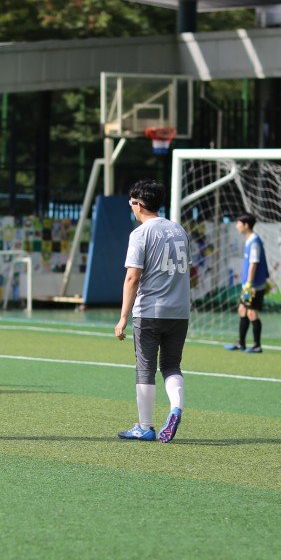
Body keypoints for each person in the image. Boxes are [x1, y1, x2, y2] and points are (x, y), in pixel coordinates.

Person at [114, 179, 190, 443]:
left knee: (145, 367)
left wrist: (123, 317)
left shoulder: (141, 234)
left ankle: (145, 426)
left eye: (131, 203)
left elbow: (132, 277)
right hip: (180, 311)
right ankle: (176, 407)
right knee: (171, 365)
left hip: (149, 310)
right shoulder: (179, 230)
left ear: (138, 204)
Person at [224, 212, 268, 353]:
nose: (237, 225)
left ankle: (257, 345)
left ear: (246, 225)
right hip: (249, 285)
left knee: (252, 313)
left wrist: (249, 284)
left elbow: (254, 263)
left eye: (239, 223)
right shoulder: (250, 240)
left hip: (253, 286)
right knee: (243, 310)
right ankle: (241, 343)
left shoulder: (254, 242)